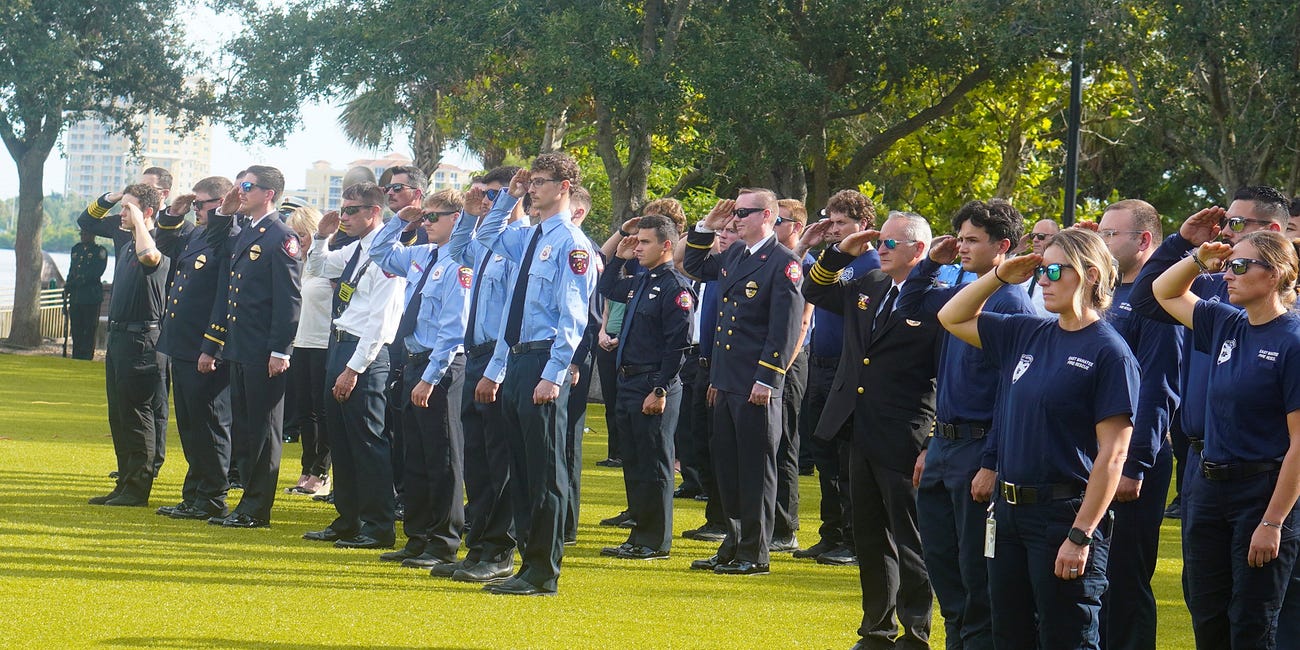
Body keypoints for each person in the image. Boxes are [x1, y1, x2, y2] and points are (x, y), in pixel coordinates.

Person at [937, 228, 1138, 650]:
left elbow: (1113, 456)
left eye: (1052, 269)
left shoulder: (1110, 352)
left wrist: (1081, 534)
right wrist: (998, 276)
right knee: (1008, 636)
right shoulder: (1027, 333)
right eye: (1040, 269)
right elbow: (951, 317)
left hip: (1062, 517)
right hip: (1008, 515)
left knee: (1066, 636)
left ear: (1089, 274)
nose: (1042, 280)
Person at [894, 200, 1035, 649]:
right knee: (943, 570)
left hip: (979, 451)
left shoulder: (1013, 306)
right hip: (944, 449)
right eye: (960, 237)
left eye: (972, 239)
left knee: (978, 579)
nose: (962, 247)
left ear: (1004, 246)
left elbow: (1010, 397)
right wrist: (930, 262)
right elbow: (909, 307)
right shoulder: (962, 292)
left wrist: (993, 461)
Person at [1151, 229, 1300, 649]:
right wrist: (1199, 257)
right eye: (1228, 265)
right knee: (1207, 614)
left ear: (1275, 275)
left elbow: (1299, 445)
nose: (1227, 274)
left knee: (1251, 623)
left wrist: (1273, 522)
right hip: (1208, 487)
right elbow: (1163, 289)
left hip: (1262, 492)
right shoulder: (1225, 321)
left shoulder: (1292, 341)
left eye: (1239, 265)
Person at [803, 211, 940, 649]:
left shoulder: (937, 300)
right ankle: (877, 629)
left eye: (891, 243)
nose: (880, 248)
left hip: (904, 433)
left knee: (909, 538)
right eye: (880, 240)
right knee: (869, 536)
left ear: (918, 250)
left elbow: (944, 377)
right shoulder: (870, 286)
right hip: (857, 427)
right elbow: (813, 288)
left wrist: (932, 441)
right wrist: (842, 251)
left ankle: (915, 633)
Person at [473, 155, 598, 596]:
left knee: (545, 470)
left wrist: (556, 372)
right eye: (531, 183)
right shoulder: (529, 238)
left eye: (540, 182)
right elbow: (486, 234)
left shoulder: (572, 243)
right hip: (517, 359)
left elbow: (573, 315)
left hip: (544, 360)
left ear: (564, 186)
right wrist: (509, 197)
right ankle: (527, 563)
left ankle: (544, 570)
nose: (533, 189)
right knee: (521, 469)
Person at [683, 189, 805, 576]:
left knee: (756, 470)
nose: (736, 218)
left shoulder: (784, 263)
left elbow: (783, 328)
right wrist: (705, 226)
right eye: (734, 212)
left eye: (744, 213)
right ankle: (733, 543)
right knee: (729, 468)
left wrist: (768, 379)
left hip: (756, 383)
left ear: (767, 216)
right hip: (728, 379)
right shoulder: (736, 253)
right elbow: (695, 266)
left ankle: (755, 551)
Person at [1092, 201, 1183, 650]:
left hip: (1131, 457)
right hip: (1093, 453)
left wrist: (1135, 464)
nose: (1103, 242)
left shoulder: (1158, 304)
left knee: (1126, 579)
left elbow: (1159, 388)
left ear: (1144, 241)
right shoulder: (1105, 296)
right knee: (1094, 576)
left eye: (1112, 234)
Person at [301, 182, 406, 549]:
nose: (344, 216)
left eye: (351, 211)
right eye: (342, 209)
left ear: (373, 213)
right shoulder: (357, 249)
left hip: (365, 354)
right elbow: (317, 266)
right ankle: (347, 519)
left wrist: (354, 368)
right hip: (340, 345)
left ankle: (378, 525)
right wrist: (320, 237)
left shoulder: (389, 255)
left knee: (368, 441)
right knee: (341, 440)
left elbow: (381, 321)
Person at [370, 188, 470, 569]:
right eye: (424, 217)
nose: (425, 223)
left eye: (433, 217)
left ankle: (443, 541)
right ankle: (417, 536)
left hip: (439, 367)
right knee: (413, 455)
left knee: (442, 458)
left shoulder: (460, 262)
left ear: (456, 219)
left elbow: (453, 328)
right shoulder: (422, 255)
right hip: (412, 362)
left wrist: (431, 377)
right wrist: (401, 221)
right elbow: (379, 252)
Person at [205, 165, 302, 528]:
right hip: (240, 347)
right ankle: (247, 502)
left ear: (269, 193)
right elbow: (216, 240)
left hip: (264, 350)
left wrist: (281, 350)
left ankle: (257, 508)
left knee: (263, 431)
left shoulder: (281, 236)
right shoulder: (247, 229)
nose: (240, 191)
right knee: (244, 428)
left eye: (247, 186)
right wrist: (226, 208)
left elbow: (289, 299)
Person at [790, 189, 881, 566]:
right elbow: (797, 280)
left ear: (863, 226)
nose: (833, 229)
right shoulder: (830, 260)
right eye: (830, 220)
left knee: (846, 459)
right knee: (824, 455)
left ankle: (852, 538)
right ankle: (831, 533)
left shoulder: (872, 266)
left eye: (841, 222)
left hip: (848, 370)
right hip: (821, 364)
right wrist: (806, 244)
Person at [442, 166, 524, 584]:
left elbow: (515, 316)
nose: (490, 201)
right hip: (475, 354)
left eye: (498, 195)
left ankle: (500, 549)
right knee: (477, 460)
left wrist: (497, 368)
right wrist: (471, 216)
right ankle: (479, 544)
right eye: (488, 194)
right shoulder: (491, 242)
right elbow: (459, 250)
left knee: (501, 461)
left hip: (500, 357)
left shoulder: (521, 242)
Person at [597, 214, 693, 560]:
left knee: (655, 464)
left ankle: (655, 540)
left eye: (644, 242)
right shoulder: (641, 280)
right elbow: (607, 288)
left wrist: (661, 388)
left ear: (666, 245)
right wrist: (619, 258)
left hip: (653, 383)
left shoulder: (674, 287)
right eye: (636, 241)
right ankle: (639, 534)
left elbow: (679, 344)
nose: (637, 247)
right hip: (629, 381)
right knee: (635, 461)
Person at [79, 184, 171, 506]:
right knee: (119, 415)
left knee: (138, 415)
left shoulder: (155, 242)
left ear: (147, 213)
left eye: (128, 210)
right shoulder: (126, 240)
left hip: (142, 340)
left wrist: (141, 220)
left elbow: (150, 258)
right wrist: (115, 198)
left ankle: (137, 489)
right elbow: (86, 222)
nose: (122, 215)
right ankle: (124, 482)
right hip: (119, 338)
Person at [154, 176, 239, 521]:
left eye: (200, 205)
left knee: (210, 424)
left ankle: (213, 496)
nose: (195, 210)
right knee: (190, 425)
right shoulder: (197, 234)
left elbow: (222, 299)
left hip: (204, 346)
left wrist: (212, 347)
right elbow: (168, 245)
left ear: (220, 204)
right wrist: (174, 213)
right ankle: (194, 495)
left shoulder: (227, 236)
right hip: (183, 343)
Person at [677, 217, 740, 544]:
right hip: (700, 361)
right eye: (722, 232)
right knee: (702, 442)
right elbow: (688, 261)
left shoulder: (740, 266)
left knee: (724, 448)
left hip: (724, 365)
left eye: (731, 230)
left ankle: (726, 520)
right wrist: (704, 226)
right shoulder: (718, 267)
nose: (726, 235)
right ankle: (715, 517)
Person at [770, 198, 813, 553]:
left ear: (796, 227)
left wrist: (780, 368)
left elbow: (801, 322)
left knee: (785, 443)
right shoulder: (770, 259)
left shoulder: (802, 263)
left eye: (779, 220)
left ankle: (785, 528)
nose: (772, 225)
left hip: (790, 361)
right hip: (773, 361)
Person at [284, 203, 332, 497]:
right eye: (295, 235)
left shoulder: (327, 265)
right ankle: (307, 469)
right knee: (305, 412)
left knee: (323, 412)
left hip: (324, 343)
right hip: (300, 344)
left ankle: (322, 472)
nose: (299, 240)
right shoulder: (297, 266)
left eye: (303, 234)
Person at [65, 229, 107, 360]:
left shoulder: (99, 251)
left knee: (89, 328)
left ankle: (87, 356)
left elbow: (97, 272)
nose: (84, 236)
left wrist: (81, 279)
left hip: (90, 296)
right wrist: (68, 286)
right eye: (82, 234)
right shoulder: (76, 249)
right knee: (76, 328)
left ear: (93, 235)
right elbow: (72, 269)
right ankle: (76, 355)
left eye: (86, 234)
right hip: (76, 296)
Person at [1020, 218, 1059, 316]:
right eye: (1033, 236)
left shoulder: (1063, 272)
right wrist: (1012, 251)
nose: (1035, 240)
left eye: (1041, 236)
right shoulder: (1024, 271)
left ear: (1056, 238)